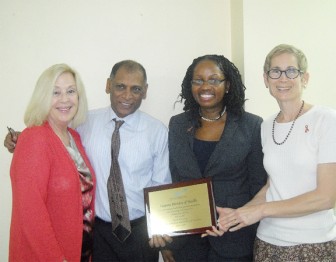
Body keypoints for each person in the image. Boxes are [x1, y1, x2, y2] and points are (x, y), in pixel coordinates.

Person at [5, 60, 171, 261]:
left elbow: (161, 185)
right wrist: (21, 139)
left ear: (145, 91)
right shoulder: (86, 123)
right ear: (108, 85)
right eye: (120, 86)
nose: (127, 95)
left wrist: (161, 229)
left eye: (135, 89)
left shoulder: (157, 131)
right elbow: (46, 137)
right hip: (98, 235)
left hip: (138, 234)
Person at [217, 44, 336, 261]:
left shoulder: (326, 119)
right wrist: (239, 214)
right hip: (267, 243)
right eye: (275, 71)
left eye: (292, 71)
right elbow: (272, 186)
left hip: (313, 245)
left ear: (305, 78)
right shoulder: (266, 125)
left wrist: (261, 211)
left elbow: (326, 197)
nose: (283, 78)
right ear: (266, 79)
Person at [151, 54, 267, 261]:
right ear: (191, 85)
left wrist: (235, 219)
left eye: (214, 79)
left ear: (228, 85)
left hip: (234, 240)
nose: (205, 86)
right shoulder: (177, 125)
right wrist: (167, 235)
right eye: (198, 80)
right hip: (187, 241)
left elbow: (257, 185)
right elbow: (174, 180)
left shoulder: (251, 126)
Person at [8, 64, 96, 262]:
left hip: (80, 250)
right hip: (46, 255)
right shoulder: (34, 138)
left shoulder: (74, 137)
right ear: (43, 97)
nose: (64, 99)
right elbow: (30, 214)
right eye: (55, 92)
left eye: (71, 91)